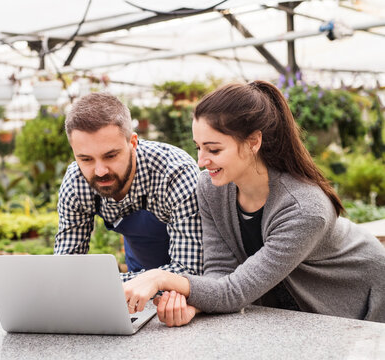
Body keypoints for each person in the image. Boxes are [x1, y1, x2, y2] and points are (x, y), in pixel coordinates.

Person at [123, 80, 385, 325]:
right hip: (295, 314)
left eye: (214, 150)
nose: (201, 161)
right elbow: (220, 271)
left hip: (358, 299)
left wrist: (159, 277)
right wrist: (199, 305)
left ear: (253, 142)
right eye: (198, 148)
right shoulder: (211, 188)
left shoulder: (304, 209)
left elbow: (233, 291)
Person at [54, 92, 203, 282]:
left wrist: (107, 284)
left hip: (184, 288)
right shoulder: (76, 182)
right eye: (85, 159)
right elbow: (67, 266)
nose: (100, 171)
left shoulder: (174, 173)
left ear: (133, 143)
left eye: (111, 156)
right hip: (136, 272)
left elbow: (189, 271)